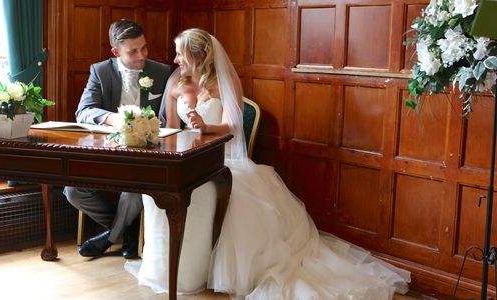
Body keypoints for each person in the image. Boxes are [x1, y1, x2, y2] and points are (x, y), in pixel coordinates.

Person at [125, 28, 411, 299]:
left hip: (222, 159)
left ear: (198, 56)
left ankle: (198, 270)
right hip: (186, 160)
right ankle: (168, 268)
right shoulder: (177, 83)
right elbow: (173, 130)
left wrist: (204, 128)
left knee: (215, 197)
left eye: (180, 54)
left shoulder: (224, 82)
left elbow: (231, 128)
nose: (174, 60)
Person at [63, 19, 171, 259]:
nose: (142, 55)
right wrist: (116, 118)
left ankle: (110, 238)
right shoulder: (100, 71)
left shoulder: (161, 72)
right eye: (133, 51)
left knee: (133, 190)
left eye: (144, 47)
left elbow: (166, 117)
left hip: (147, 153)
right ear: (116, 52)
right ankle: (127, 229)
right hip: (108, 152)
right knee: (73, 191)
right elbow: (84, 111)